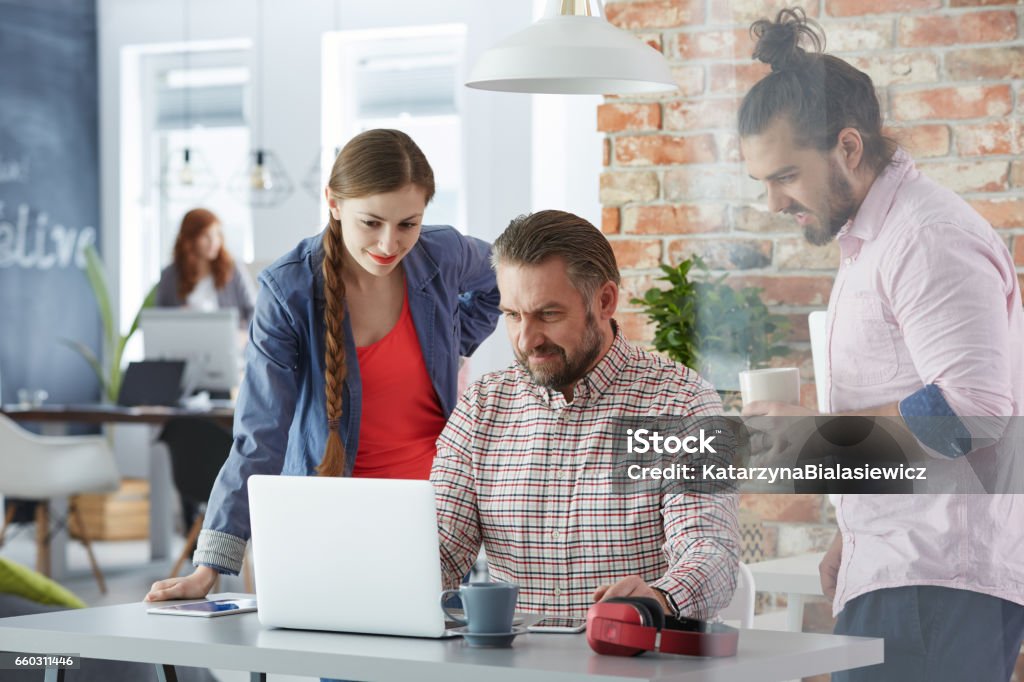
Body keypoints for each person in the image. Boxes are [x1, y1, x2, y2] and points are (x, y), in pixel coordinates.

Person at [737, 9, 1024, 681]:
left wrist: (812, 436)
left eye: (784, 176)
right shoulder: (874, 240)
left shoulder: (926, 239)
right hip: (903, 571)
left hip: (937, 581)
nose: (775, 203)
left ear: (848, 148)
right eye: (762, 185)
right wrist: (853, 534)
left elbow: (975, 412)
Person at [145, 129, 501, 602]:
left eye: (408, 225)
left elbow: (504, 276)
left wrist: (454, 344)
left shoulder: (442, 252)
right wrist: (212, 566)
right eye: (370, 222)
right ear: (333, 202)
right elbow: (261, 433)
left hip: (433, 517)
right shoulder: (288, 289)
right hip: (327, 518)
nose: (389, 244)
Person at [431, 210, 739, 619]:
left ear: (605, 301)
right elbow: (440, 550)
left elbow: (710, 552)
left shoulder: (681, 404)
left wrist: (658, 600)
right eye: (513, 315)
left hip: (641, 667)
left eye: (548, 314)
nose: (527, 340)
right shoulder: (481, 408)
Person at [156, 208, 256, 328]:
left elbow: (255, 312)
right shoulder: (170, 275)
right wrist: (178, 316)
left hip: (229, 344)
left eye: (217, 234)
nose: (214, 242)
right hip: (184, 344)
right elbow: (159, 319)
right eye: (205, 235)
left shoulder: (233, 269)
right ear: (189, 239)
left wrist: (244, 335)